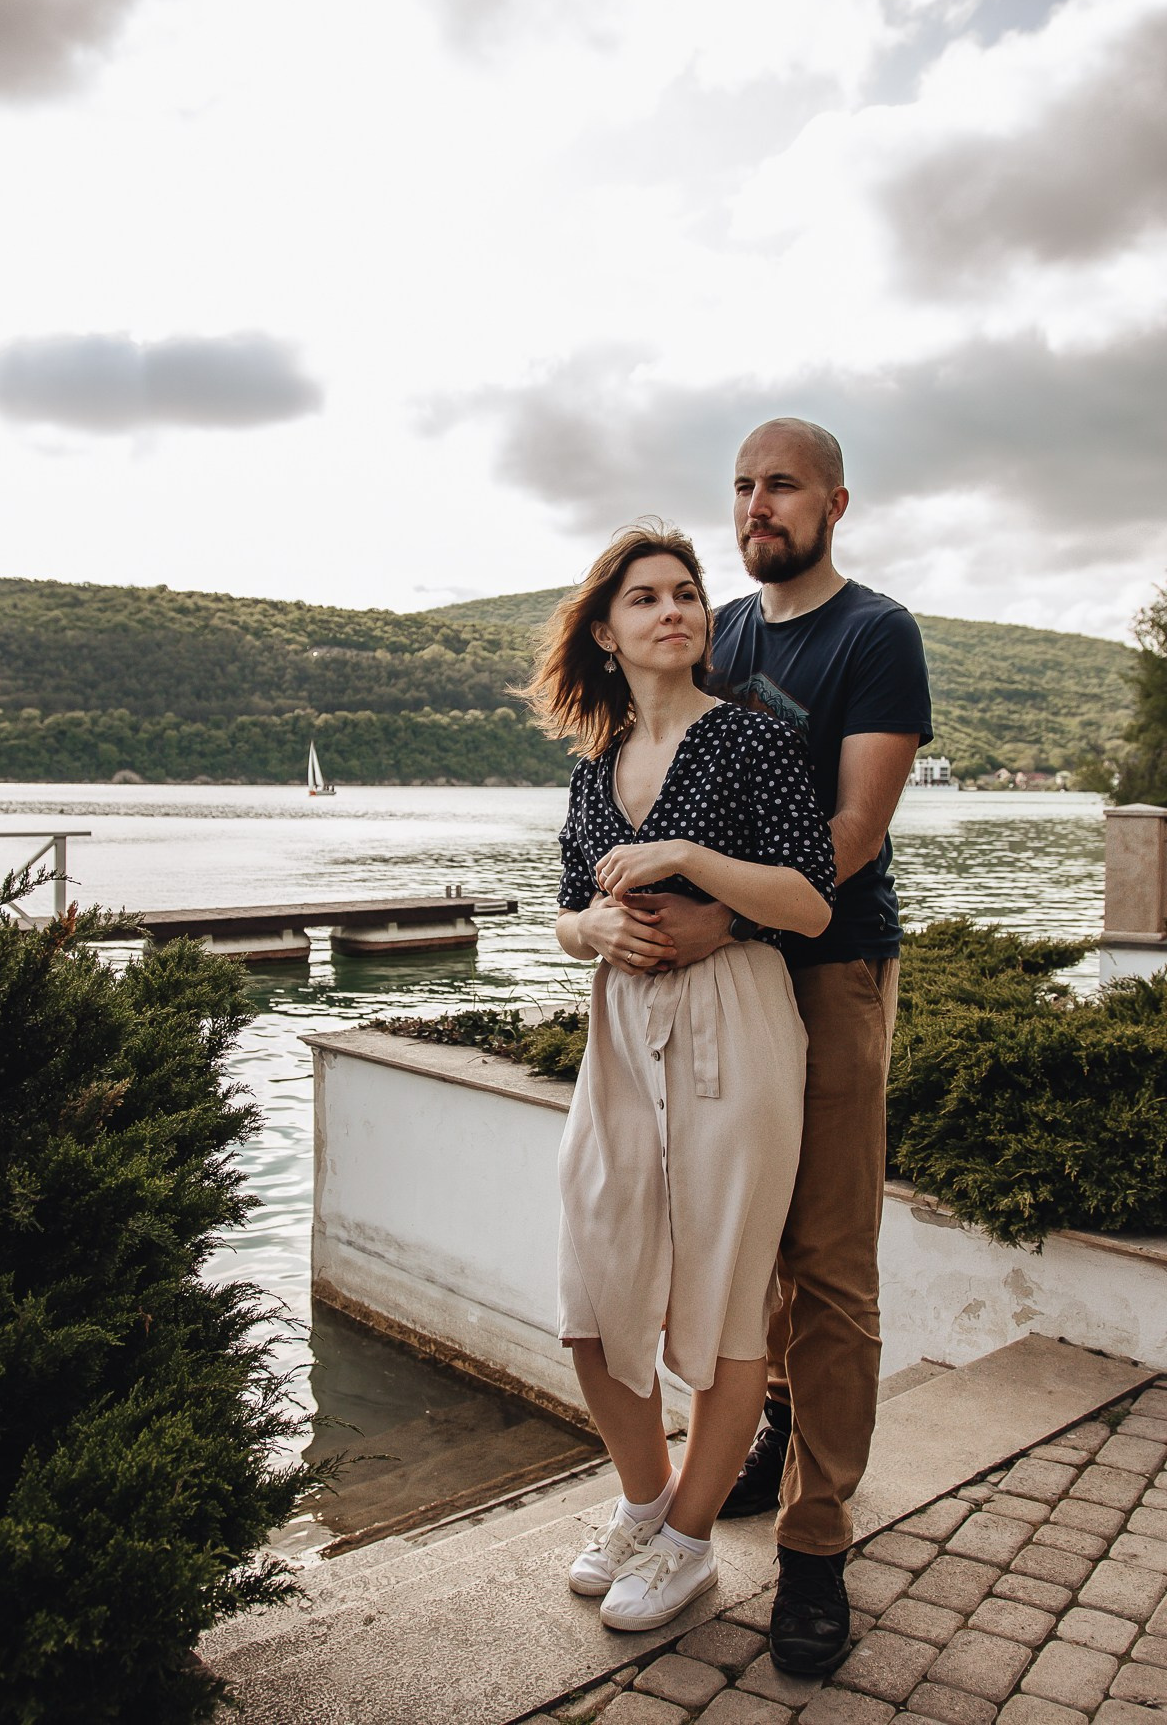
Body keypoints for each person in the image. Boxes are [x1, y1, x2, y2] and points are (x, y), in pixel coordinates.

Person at [574, 421, 932, 1673]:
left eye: (780, 485)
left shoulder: (871, 633)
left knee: (826, 1263)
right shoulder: (717, 635)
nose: (756, 506)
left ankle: (817, 1545)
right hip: (713, 992)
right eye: (741, 486)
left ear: (834, 500)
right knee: (738, 1253)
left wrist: (717, 911)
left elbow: (854, 827)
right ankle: (759, 1441)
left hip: (824, 970)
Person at [523, 521, 836, 1633]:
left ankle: (694, 1545)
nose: (675, 610)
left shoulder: (750, 744)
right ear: (605, 634)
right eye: (646, 598)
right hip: (620, 1029)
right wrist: (595, 927)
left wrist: (690, 862)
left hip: (737, 1027)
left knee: (724, 1300)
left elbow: (810, 903)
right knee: (592, 1300)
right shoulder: (594, 768)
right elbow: (566, 909)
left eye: (688, 594)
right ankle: (646, 1504)